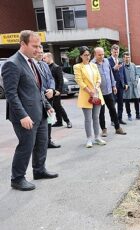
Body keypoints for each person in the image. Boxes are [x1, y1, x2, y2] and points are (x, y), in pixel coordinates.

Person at [2, 30, 58, 191]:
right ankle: (17, 178)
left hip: (39, 112)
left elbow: (37, 89)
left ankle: (39, 170)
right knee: (26, 145)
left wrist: (47, 106)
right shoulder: (12, 64)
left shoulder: (33, 63)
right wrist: (22, 116)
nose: (37, 49)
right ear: (22, 44)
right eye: (34, 46)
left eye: (39, 46)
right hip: (24, 117)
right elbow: (11, 94)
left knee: (41, 143)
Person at [73, 46, 106, 148]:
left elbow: (99, 78)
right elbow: (79, 81)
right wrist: (89, 91)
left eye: (88, 55)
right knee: (88, 119)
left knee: (96, 117)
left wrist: (96, 88)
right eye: (85, 55)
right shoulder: (77, 66)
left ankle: (97, 137)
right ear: (81, 56)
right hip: (86, 95)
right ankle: (89, 139)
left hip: (96, 94)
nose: (87, 57)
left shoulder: (94, 65)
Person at [92, 47, 126, 137]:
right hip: (99, 93)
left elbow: (110, 73)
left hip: (109, 91)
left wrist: (113, 85)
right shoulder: (92, 64)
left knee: (113, 110)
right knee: (101, 112)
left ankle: (118, 128)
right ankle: (104, 129)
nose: (102, 56)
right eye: (99, 55)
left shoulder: (106, 61)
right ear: (95, 55)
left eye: (103, 54)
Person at [34, 46, 60, 149]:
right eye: (39, 52)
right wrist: (45, 91)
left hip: (49, 96)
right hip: (39, 97)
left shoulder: (44, 65)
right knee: (39, 121)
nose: (40, 54)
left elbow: (50, 78)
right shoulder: (32, 65)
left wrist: (52, 90)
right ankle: (40, 143)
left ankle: (48, 140)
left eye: (42, 52)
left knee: (49, 120)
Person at [43, 52, 72, 129]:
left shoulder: (56, 67)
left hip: (56, 91)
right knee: (53, 107)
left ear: (49, 57)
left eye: (44, 58)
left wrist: (59, 91)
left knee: (58, 106)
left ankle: (68, 121)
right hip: (48, 91)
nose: (43, 60)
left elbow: (60, 80)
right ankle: (59, 122)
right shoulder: (46, 67)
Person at [120, 52, 140, 121]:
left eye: (128, 57)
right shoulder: (121, 66)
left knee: (136, 100)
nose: (127, 59)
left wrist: (136, 80)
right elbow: (121, 76)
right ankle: (129, 115)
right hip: (127, 86)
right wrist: (124, 84)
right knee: (127, 101)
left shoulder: (133, 65)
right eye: (125, 57)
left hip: (134, 86)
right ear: (123, 58)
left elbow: (137, 74)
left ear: (130, 58)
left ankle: (138, 114)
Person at [108, 44, 127, 124]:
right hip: (113, 86)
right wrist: (114, 68)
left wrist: (125, 83)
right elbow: (107, 73)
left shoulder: (120, 60)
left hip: (121, 85)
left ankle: (120, 119)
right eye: (114, 52)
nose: (116, 53)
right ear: (111, 52)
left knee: (120, 103)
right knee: (112, 104)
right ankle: (113, 120)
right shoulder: (108, 61)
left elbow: (123, 72)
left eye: (117, 52)